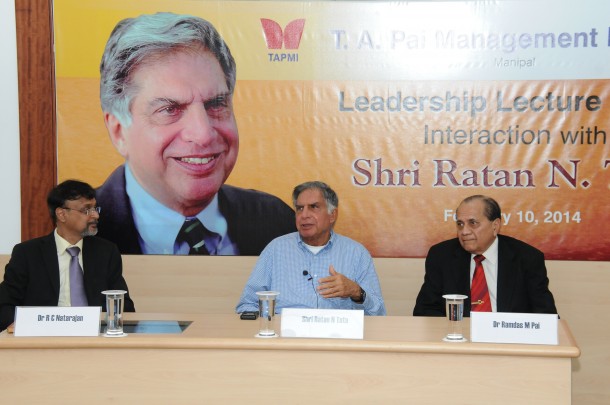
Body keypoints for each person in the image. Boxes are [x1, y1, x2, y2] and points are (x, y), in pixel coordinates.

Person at [96, 12, 295, 255]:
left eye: (216, 104)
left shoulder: (279, 224)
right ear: (118, 132)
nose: (203, 134)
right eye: (169, 109)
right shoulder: (72, 232)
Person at [0, 180, 135, 331]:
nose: (95, 215)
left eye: (95, 208)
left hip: (94, 335)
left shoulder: (106, 252)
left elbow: (124, 305)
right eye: (86, 210)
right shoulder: (27, 253)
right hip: (43, 336)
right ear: (62, 214)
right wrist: (25, 325)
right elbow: (4, 305)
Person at [236, 181, 386, 316]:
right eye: (299, 208)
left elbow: (378, 313)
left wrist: (356, 292)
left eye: (314, 207)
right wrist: (271, 324)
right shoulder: (276, 250)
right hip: (286, 335)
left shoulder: (356, 253)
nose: (304, 215)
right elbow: (247, 304)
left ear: (332, 215)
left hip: (336, 335)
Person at [413, 195, 557, 317]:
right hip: (459, 337)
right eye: (460, 224)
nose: (464, 231)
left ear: (495, 226)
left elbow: (546, 315)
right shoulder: (441, 256)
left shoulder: (527, 258)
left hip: (509, 338)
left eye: (473, 223)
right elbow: (425, 310)